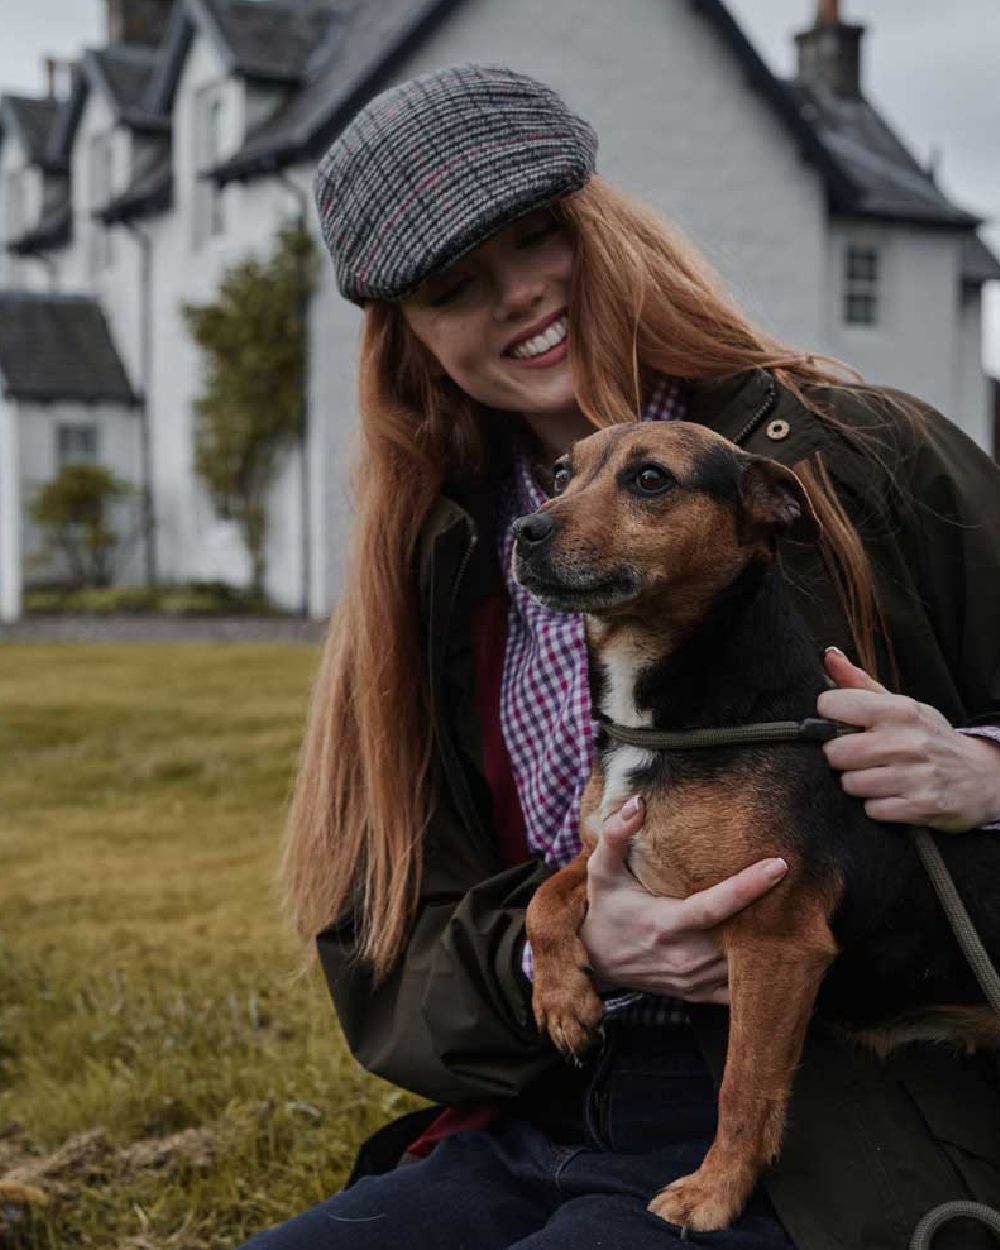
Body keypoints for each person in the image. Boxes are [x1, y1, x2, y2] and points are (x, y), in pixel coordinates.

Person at [243, 64, 1000, 1250]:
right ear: (412, 337)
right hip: (550, 1109)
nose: (516, 296)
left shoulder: (856, 453)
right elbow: (381, 946)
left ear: (597, 221)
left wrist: (987, 771)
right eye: (454, 287)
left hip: (844, 1117)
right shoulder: (438, 555)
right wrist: (572, 942)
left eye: (537, 236)